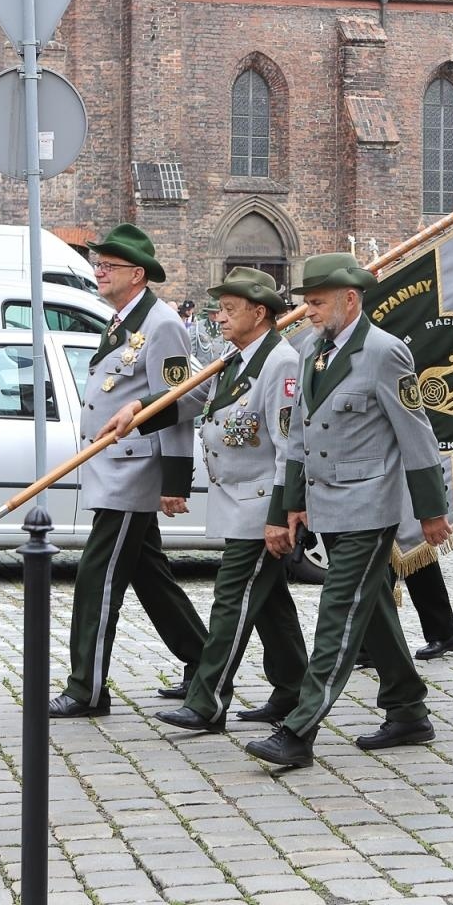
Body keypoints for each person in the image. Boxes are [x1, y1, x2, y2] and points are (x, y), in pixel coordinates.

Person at [244, 253, 452, 769]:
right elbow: (298, 436)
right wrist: (291, 502)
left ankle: (299, 731)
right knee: (371, 607)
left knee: (337, 613)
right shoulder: (311, 351)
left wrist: (431, 510)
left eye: (316, 302)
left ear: (350, 299)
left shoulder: (385, 352)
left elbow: (416, 434)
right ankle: (408, 709)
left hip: (369, 507)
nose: (308, 312)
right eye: (307, 303)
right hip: (326, 507)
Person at [107, 267, 308, 732]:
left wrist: (280, 515)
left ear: (260, 313)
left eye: (230, 309)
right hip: (236, 500)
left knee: (231, 599)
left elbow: (289, 446)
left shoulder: (280, 363)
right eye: (219, 309)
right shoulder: (234, 357)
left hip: (260, 504)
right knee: (270, 601)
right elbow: (190, 397)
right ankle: (293, 689)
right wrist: (138, 409)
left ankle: (207, 701)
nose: (219, 317)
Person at [51, 224, 208, 718]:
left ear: (137, 274)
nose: (98, 272)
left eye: (108, 266)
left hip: (131, 471)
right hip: (113, 466)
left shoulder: (161, 324)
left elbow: (181, 400)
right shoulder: (124, 319)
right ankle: (206, 663)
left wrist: (175, 480)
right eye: (97, 264)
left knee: (96, 579)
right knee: (151, 576)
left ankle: (86, 688)